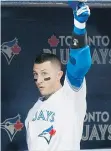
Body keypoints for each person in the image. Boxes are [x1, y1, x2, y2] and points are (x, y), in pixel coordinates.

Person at [25, 2, 91, 151]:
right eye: (36, 75)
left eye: (44, 74)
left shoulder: (70, 96)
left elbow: (79, 64)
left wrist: (79, 26)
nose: (39, 80)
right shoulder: (32, 112)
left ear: (59, 75)